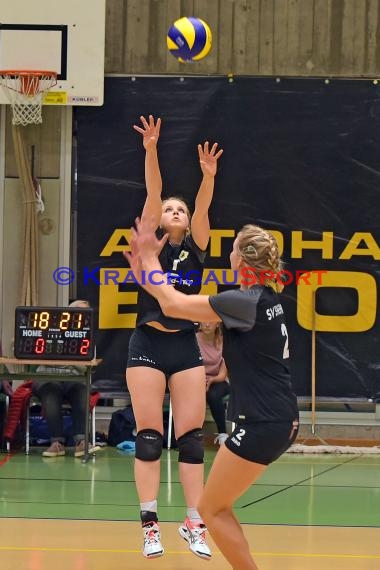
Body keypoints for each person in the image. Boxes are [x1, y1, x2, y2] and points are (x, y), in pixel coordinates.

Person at [126, 219, 300, 570]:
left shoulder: (243, 301)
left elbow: (173, 305)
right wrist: (148, 272)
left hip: (264, 422)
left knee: (211, 509)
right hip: (280, 419)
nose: (230, 252)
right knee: (216, 508)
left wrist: (149, 260)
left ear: (243, 260)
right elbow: (169, 301)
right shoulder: (266, 299)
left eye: (234, 247)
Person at [124, 115, 223, 559]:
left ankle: (194, 523)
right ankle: (149, 525)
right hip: (147, 344)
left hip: (185, 346)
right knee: (148, 436)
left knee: (189, 439)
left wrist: (207, 179)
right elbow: (152, 191)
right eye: (170, 208)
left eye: (179, 209)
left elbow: (203, 210)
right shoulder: (151, 241)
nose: (176, 212)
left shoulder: (196, 244)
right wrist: (150, 150)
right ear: (159, 218)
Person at [33, 300, 100, 458]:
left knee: (81, 390)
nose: (82, 318)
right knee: (50, 392)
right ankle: (56, 443)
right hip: (47, 376)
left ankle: (82, 442)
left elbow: (87, 367)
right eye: (78, 313)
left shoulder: (88, 337)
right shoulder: (48, 330)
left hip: (74, 378)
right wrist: (70, 362)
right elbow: (38, 359)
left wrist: (66, 362)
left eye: (86, 314)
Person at [196, 322, 230, 445]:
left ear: (217, 324)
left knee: (213, 395)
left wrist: (211, 380)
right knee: (190, 395)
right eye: (204, 320)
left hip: (217, 380)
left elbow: (222, 374)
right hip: (195, 379)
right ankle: (189, 436)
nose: (207, 324)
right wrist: (199, 380)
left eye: (211, 321)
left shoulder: (224, 342)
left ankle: (223, 434)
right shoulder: (192, 340)